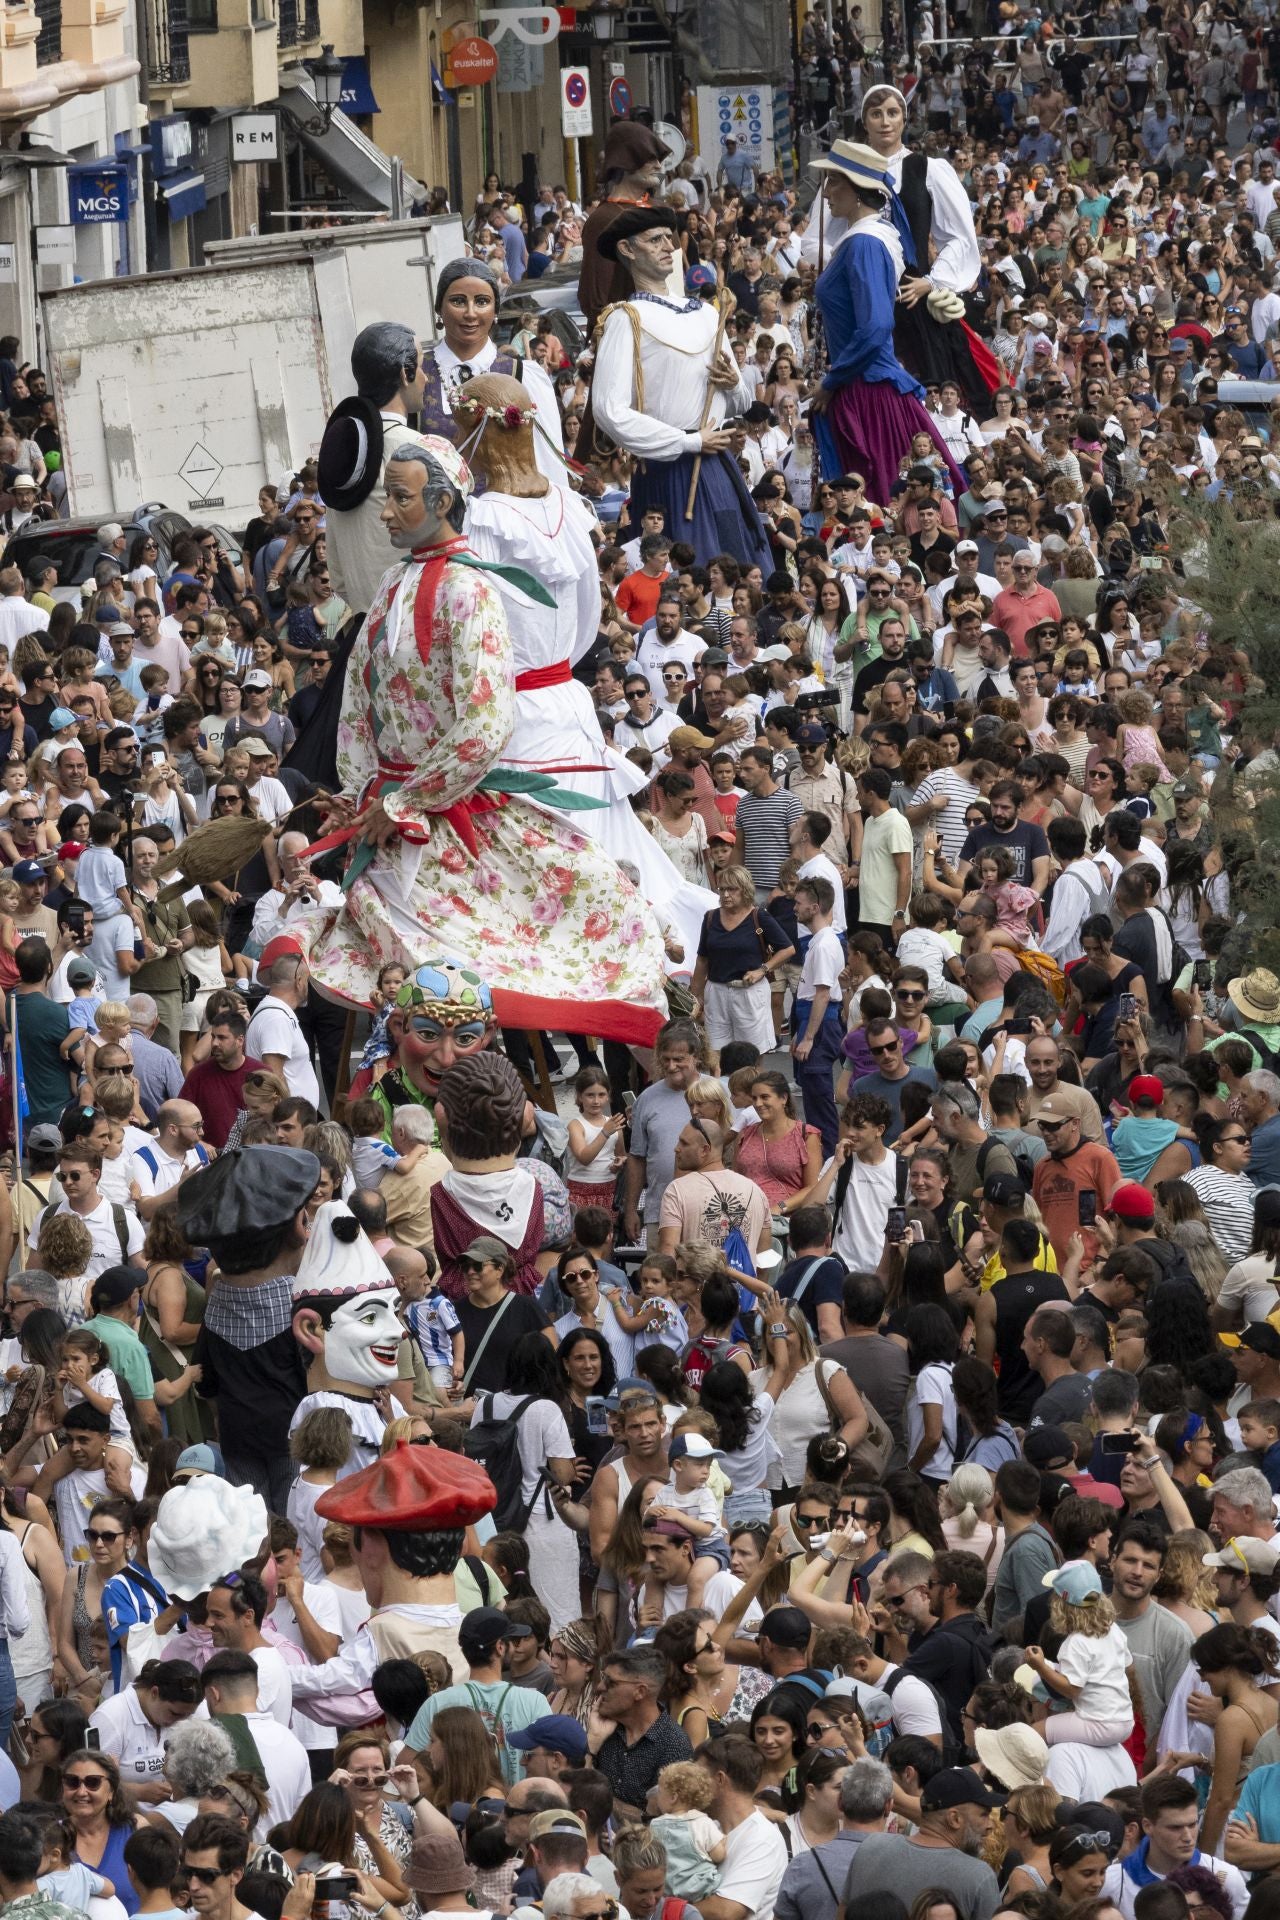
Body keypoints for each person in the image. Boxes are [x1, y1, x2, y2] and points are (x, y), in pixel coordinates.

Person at [591, 210, 772, 575]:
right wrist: (688, 442)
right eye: (654, 240)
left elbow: (740, 402)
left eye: (668, 238)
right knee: (685, 575)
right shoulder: (627, 318)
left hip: (717, 466)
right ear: (626, 249)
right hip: (667, 469)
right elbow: (608, 410)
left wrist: (732, 384)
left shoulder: (706, 314)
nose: (668, 247)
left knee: (738, 571)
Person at [808, 143, 965, 503]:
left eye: (834, 181)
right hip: (864, 383)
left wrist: (831, 380)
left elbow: (876, 326)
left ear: (858, 191)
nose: (827, 191)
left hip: (867, 390)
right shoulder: (865, 238)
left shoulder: (864, 243)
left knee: (880, 502)